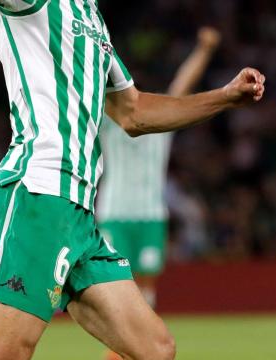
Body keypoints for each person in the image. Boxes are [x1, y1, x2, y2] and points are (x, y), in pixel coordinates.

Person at [0, 0, 264, 359]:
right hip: (39, 192)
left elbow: (134, 112)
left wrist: (226, 97)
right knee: (4, 349)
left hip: (80, 213)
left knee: (154, 350)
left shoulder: (93, 21)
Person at [97, 27, 222, 310]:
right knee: (115, 282)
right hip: (115, 212)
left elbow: (182, 87)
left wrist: (204, 50)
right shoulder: (108, 122)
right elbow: (93, 85)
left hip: (151, 213)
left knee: (147, 284)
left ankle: (137, 348)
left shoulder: (162, 126)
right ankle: (121, 348)